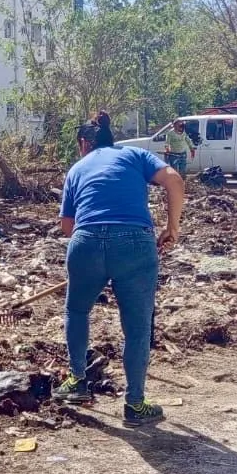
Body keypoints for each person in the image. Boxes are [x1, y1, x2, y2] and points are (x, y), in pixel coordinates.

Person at [54, 118, 186, 426]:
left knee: (76, 310)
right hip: (135, 244)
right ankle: (135, 404)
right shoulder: (133, 155)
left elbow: (66, 227)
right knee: (137, 327)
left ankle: (77, 381)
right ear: (112, 140)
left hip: (86, 242)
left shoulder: (77, 169)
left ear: (83, 144)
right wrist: (172, 228)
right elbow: (175, 181)